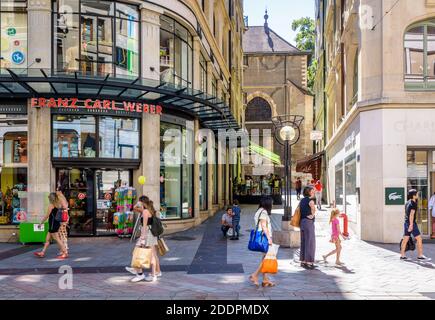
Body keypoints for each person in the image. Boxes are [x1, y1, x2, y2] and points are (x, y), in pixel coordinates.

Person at [129, 200, 162, 282]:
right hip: (151, 235)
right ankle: (153, 274)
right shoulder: (149, 211)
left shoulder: (145, 212)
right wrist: (137, 204)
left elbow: (144, 226)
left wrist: (142, 238)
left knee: (137, 252)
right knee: (152, 255)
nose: (139, 204)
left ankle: (140, 273)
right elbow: (134, 208)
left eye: (140, 203)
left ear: (143, 204)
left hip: (147, 235)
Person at [249, 197, 275, 288]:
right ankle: (254, 275)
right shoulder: (263, 212)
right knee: (266, 258)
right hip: (264, 237)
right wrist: (269, 238)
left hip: (262, 237)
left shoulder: (259, 211)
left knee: (264, 258)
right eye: (272, 203)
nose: (272, 205)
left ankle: (265, 279)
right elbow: (264, 226)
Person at [33, 193, 68, 259]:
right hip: (55, 223)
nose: (48, 199)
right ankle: (42, 252)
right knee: (47, 240)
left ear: (51, 199)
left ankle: (65, 252)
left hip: (52, 224)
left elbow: (46, 216)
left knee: (57, 239)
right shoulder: (59, 204)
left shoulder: (51, 205)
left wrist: (41, 223)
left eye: (49, 198)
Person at [400, 189, 431, 261]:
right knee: (419, 239)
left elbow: (406, 214)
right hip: (411, 224)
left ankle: (402, 255)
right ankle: (420, 255)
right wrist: (411, 225)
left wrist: (408, 224)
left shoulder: (407, 202)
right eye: (416, 194)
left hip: (406, 222)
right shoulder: (413, 203)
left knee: (405, 239)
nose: (417, 195)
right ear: (414, 195)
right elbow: (411, 214)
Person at [299, 186, 317, 269]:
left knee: (303, 241)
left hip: (302, 222)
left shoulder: (302, 200)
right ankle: (309, 262)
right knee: (310, 241)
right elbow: (313, 210)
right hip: (308, 222)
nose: (314, 192)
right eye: (313, 191)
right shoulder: (311, 201)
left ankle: (303, 261)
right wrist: (312, 215)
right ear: (309, 192)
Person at [56, 188, 69, 256]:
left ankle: (65, 250)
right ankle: (63, 249)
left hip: (62, 217)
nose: (56, 192)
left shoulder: (60, 197)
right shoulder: (63, 197)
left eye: (57, 190)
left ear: (60, 191)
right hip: (64, 217)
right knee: (62, 233)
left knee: (62, 233)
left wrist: (59, 207)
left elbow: (64, 207)